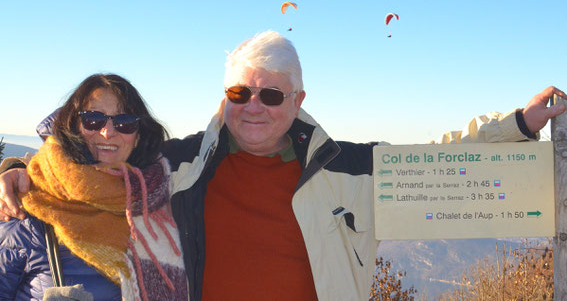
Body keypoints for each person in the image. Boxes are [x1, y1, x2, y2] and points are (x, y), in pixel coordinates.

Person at [1, 32, 566, 300]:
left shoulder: (346, 169)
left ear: (298, 101)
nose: (255, 107)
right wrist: (16, 170)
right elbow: (88, 160)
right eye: (241, 92)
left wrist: (517, 124)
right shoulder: (177, 165)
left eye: (273, 96)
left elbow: (436, 158)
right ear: (224, 97)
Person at [0, 74, 187, 301]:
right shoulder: (27, 207)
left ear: (138, 134)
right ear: (74, 126)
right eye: (93, 119)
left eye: (124, 122)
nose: (108, 132)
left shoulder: (165, 198)